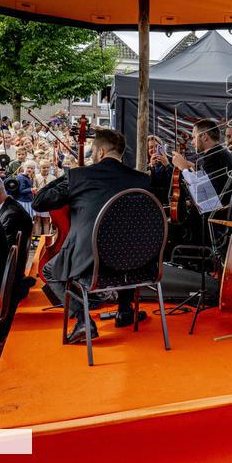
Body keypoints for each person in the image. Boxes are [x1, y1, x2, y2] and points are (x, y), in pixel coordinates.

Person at [33, 128, 152, 343]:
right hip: (137, 265)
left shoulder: (80, 177)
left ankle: (83, 320)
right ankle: (125, 310)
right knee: (125, 241)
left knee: (49, 270)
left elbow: (39, 201)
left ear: (100, 152)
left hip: (91, 265)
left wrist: (69, 175)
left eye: (92, 151)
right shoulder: (143, 180)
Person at [172, 118, 232, 213]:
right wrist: (192, 167)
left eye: (194, 137)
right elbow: (212, 179)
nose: (192, 143)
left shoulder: (214, 158)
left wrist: (184, 168)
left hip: (215, 218)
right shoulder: (220, 153)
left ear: (204, 136)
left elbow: (205, 198)